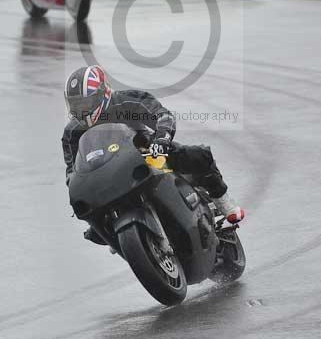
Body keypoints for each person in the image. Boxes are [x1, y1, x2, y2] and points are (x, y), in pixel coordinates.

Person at [62, 65, 245, 231]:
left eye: (85, 103)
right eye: (76, 105)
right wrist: (76, 186)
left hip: (146, 153)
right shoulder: (72, 132)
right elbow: (72, 170)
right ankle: (119, 232)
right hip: (106, 176)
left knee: (199, 155)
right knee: (93, 229)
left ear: (103, 94)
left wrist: (162, 139)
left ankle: (222, 201)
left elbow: (162, 116)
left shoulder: (127, 101)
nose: (81, 109)